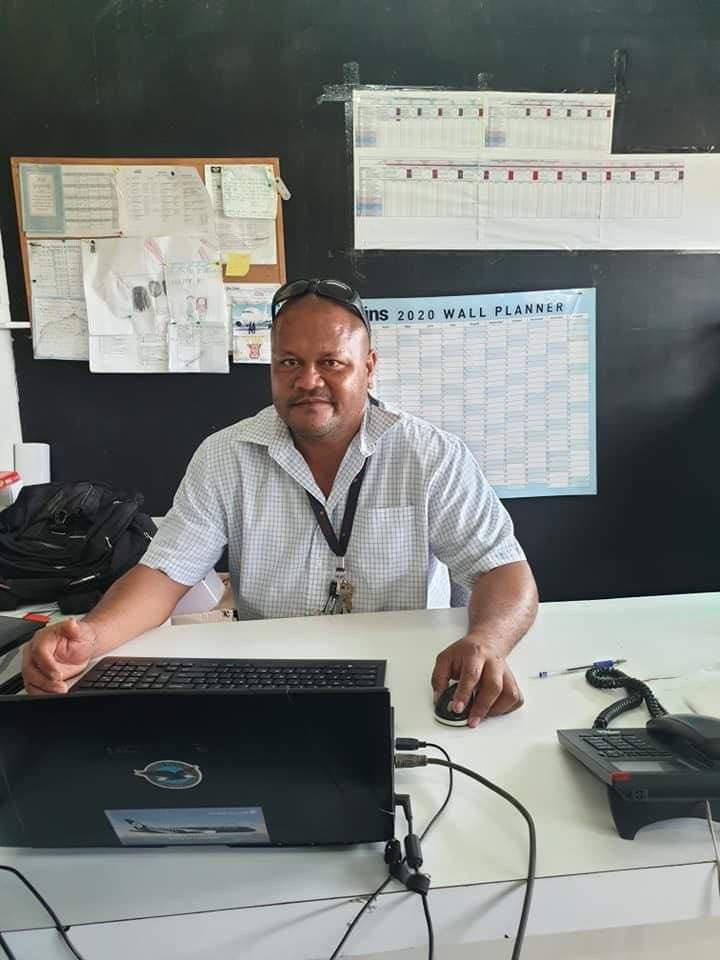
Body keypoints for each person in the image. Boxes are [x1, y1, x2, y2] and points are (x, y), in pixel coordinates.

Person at [22, 278, 538, 726]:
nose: (308, 380)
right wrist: (89, 638)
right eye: (289, 362)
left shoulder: (430, 455)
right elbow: (163, 576)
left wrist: (489, 641)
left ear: (369, 367)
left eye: (331, 362)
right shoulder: (226, 455)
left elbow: (503, 572)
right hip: (271, 676)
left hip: (407, 672)